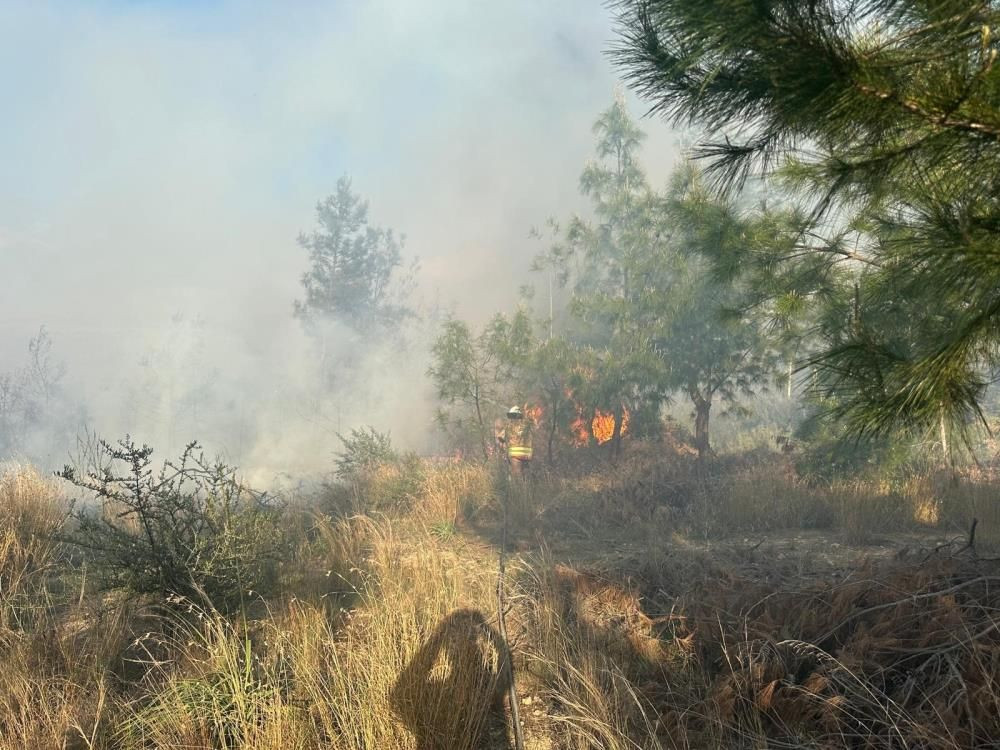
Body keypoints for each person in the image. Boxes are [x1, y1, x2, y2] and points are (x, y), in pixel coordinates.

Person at [503, 405, 533, 476]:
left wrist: (505, 453)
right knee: (524, 476)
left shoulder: (509, 427)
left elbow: (503, 440)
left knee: (517, 476)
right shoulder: (526, 426)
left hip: (515, 455)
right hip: (527, 456)